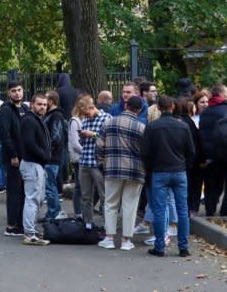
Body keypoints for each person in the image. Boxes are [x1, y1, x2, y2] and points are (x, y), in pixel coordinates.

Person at [141, 95, 195, 258]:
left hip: (159, 171)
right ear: (172, 107)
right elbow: (191, 151)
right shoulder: (183, 127)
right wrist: (185, 166)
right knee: (182, 210)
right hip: (179, 171)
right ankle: (183, 247)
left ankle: (159, 246)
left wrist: (150, 170)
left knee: (159, 209)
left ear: (158, 107)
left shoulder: (152, 127)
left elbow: (145, 153)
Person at [99, 96, 146, 251]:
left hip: (112, 168)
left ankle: (109, 238)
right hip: (135, 170)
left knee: (110, 203)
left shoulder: (109, 122)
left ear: (126, 106)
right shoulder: (141, 127)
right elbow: (146, 151)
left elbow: (99, 145)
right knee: (130, 205)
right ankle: (126, 240)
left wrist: (102, 162)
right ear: (139, 109)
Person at [198, 84, 227, 217]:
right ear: (221, 95)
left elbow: (201, 133)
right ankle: (226, 210)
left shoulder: (205, 112)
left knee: (211, 182)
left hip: (210, 153)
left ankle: (210, 209)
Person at [18, 94, 51, 246]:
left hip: (35, 163)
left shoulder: (34, 119)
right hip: (33, 163)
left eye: (45, 104)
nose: (43, 107)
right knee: (32, 199)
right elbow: (30, 143)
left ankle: (31, 230)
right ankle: (29, 233)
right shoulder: (30, 120)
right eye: (39, 104)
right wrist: (44, 156)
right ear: (32, 104)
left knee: (36, 198)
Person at [0, 81, 29, 237]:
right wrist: (13, 155)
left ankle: (21, 223)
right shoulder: (5, 110)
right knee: (14, 191)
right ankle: (12, 225)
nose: (17, 93)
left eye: (19, 90)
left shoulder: (25, 108)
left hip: (26, 157)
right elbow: (5, 135)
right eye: (13, 91)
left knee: (24, 191)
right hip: (14, 158)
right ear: (8, 93)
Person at [78, 95, 111, 228]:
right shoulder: (85, 120)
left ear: (92, 107)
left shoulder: (107, 118)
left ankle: (106, 225)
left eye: (87, 113)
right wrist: (82, 136)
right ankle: (88, 223)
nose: (86, 116)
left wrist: (92, 134)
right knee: (86, 196)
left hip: (99, 164)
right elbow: (83, 143)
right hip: (85, 161)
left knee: (104, 196)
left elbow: (109, 138)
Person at [42, 91, 68, 220]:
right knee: (49, 186)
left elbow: (56, 137)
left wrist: (45, 151)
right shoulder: (53, 115)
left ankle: (54, 213)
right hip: (52, 156)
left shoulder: (55, 115)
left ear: (51, 102)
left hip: (51, 157)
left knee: (50, 187)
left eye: (45, 101)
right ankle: (52, 213)